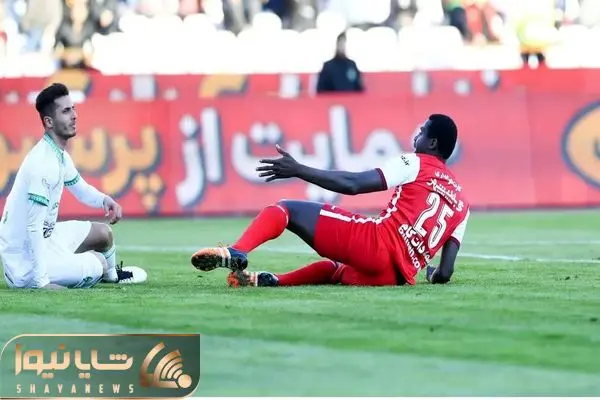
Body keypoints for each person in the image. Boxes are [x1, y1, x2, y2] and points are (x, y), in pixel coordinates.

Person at [191, 114, 469, 287]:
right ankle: (274, 281)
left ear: (432, 143)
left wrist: (299, 170)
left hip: (375, 244)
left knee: (286, 209)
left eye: (422, 131)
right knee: (335, 271)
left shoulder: (416, 162)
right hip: (393, 277)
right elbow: (445, 271)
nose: (417, 135)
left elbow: (353, 184)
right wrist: (431, 274)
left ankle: (238, 251)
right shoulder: (462, 203)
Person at [0, 83, 147, 290]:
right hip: (24, 262)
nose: (74, 115)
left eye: (73, 109)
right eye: (66, 111)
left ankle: (112, 277)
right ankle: (84, 272)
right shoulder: (41, 164)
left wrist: (105, 200)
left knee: (103, 234)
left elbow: (81, 189)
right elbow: (33, 228)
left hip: (46, 239)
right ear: (49, 121)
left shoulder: (58, 155)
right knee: (99, 261)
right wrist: (42, 283)